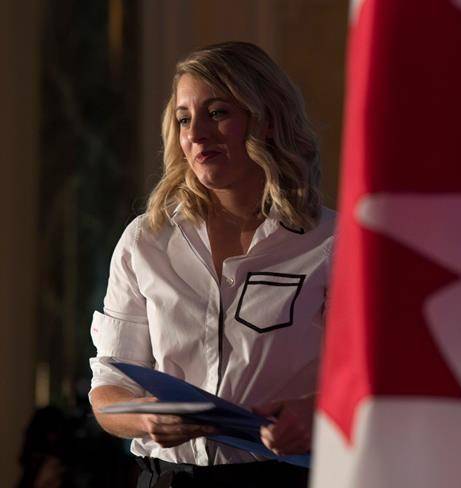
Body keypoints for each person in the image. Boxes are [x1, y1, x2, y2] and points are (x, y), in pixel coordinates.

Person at [88, 41, 335, 488]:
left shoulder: (332, 243)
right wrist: (145, 420)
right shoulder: (145, 241)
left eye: (218, 113)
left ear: (266, 120)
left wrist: (312, 411)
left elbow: (373, 381)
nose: (197, 134)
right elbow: (108, 390)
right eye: (184, 119)